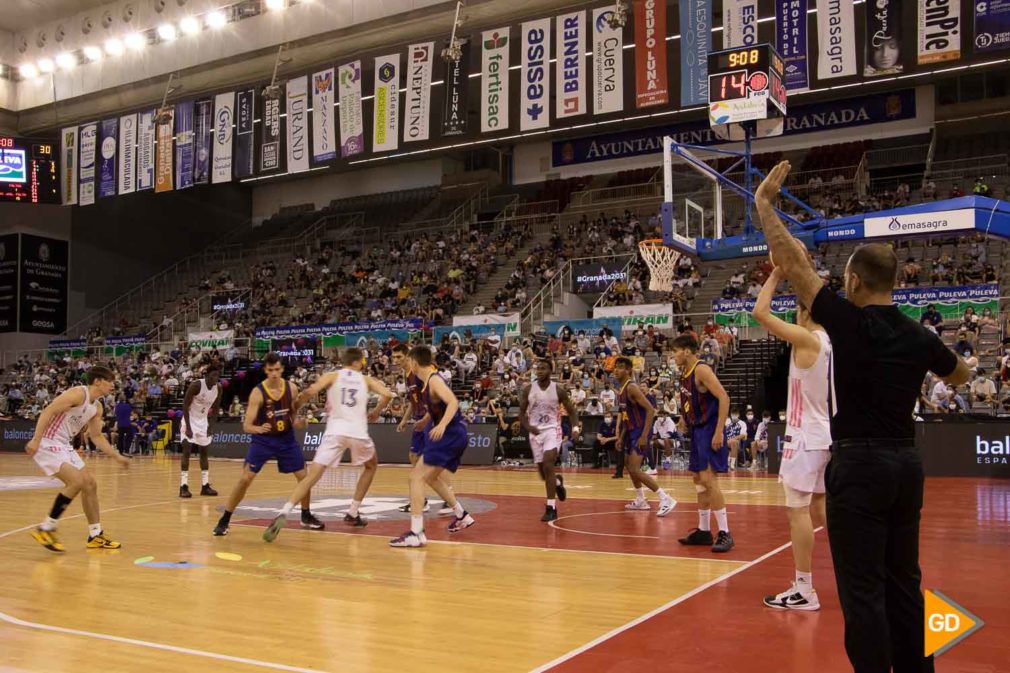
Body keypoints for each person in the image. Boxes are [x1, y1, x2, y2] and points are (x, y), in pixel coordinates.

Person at [756, 160, 969, 672]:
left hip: (859, 467)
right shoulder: (920, 335)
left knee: (863, 592)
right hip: (905, 468)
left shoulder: (847, 324)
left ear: (852, 282)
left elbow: (795, 264)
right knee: (905, 583)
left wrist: (765, 204)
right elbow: (959, 375)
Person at [753, 266, 833, 611]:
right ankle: (858, 570)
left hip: (803, 438)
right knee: (820, 507)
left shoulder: (807, 338)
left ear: (804, 311)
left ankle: (804, 589)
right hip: (823, 434)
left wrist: (776, 274)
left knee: (797, 511)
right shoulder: (831, 341)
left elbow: (759, 313)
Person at [263, 348, 393, 541]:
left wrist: (296, 407)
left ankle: (285, 510)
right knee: (371, 466)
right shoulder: (366, 379)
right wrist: (376, 411)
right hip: (357, 432)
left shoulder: (332, 376)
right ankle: (353, 512)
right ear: (359, 362)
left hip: (334, 432)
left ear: (344, 361)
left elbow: (309, 391)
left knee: (312, 476)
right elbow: (388, 394)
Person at [212, 353, 324, 536]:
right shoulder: (258, 392)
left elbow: (293, 414)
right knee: (245, 479)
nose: (274, 373)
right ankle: (225, 519)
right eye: (270, 370)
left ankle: (306, 514)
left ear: (282, 369)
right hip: (264, 440)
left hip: (286, 438)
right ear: (265, 370)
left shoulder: (292, 388)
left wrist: (298, 422)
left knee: (305, 477)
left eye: (277, 370)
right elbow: (246, 426)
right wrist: (259, 429)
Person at [26, 366, 130, 552]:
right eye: (110, 381)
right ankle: (46, 528)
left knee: (90, 483)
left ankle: (95, 535)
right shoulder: (77, 394)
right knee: (77, 481)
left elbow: (96, 436)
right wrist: (35, 439)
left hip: (64, 445)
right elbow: (47, 412)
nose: (113, 385)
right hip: (48, 442)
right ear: (97, 381)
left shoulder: (97, 406)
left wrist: (116, 456)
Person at [390, 345, 476, 548]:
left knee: (415, 477)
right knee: (429, 478)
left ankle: (416, 533)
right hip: (453, 435)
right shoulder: (426, 380)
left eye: (408, 360)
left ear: (414, 361)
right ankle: (461, 515)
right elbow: (439, 407)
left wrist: (442, 425)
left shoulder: (435, 380)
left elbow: (453, 402)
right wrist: (429, 421)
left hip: (449, 434)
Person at [671, 335, 735, 553]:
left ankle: (725, 532)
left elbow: (724, 398)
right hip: (697, 429)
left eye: (676, 351)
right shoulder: (684, 374)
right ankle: (704, 530)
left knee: (709, 479)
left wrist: (719, 431)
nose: (674, 355)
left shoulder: (702, 370)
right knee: (698, 479)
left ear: (687, 351)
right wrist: (683, 417)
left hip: (709, 429)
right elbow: (687, 400)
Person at [391, 344, 456, 515]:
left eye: (399, 357)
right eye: (394, 357)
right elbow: (414, 402)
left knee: (436, 461)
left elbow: (435, 398)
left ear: (409, 357)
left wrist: (431, 418)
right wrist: (404, 420)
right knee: (414, 456)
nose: (395, 360)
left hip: (430, 419)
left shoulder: (420, 373)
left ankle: (449, 498)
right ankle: (422, 500)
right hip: (420, 419)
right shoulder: (407, 376)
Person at [613, 357, 676, 516]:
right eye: (615, 367)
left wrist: (644, 436)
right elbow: (627, 418)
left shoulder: (632, 388)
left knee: (634, 468)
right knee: (629, 466)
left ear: (628, 370)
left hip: (641, 432)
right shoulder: (621, 391)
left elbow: (650, 410)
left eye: (620, 367)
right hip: (631, 432)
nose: (616, 370)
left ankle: (665, 497)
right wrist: (621, 437)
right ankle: (641, 500)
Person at [519, 359, 579, 521]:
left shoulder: (558, 391)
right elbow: (521, 414)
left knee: (548, 464)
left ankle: (551, 507)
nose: (539, 371)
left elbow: (572, 412)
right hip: (535, 432)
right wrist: (528, 427)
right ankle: (558, 483)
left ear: (550, 371)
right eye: (538, 368)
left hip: (553, 430)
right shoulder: (528, 390)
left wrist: (575, 428)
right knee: (543, 473)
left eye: (543, 368)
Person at [178, 365, 222, 498]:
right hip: (189, 419)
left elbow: (215, 407)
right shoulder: (196, 385)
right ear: (206, 375)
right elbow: (185, 406)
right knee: (187, 452)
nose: (216, 378)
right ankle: (183, 486)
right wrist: (189, 427)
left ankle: (205, 486)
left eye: (217, 375)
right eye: (213, 375)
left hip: (203, 422)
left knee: (204, 453)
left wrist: (211, 426)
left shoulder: (218, 388)